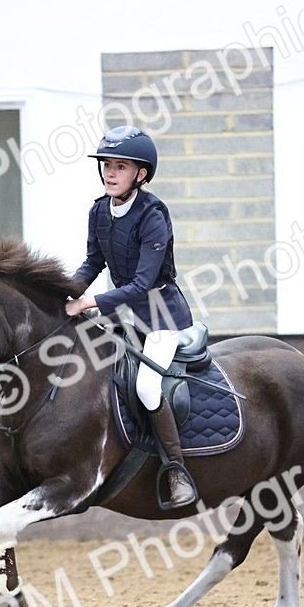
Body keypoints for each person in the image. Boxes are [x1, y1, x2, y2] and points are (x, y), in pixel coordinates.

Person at [66, 126, 197, 509]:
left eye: (119, 166)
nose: (109, 172)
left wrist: (88, 303)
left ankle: (177, 471)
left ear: (140, 174)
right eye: (106, 165)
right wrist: (63, 293)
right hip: (122, 314)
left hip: (160, 315)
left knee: (146, 387)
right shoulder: (98, 210)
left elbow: (141, 283)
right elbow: (93, 262)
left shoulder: (153, 215)